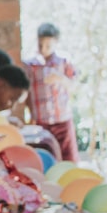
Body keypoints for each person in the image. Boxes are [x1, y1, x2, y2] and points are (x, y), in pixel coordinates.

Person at [24, 22, 79, 162]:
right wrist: (30, 115)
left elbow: (74, 86)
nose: (43, 49)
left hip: (62, 120)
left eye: (48, 46)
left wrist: (61, 79)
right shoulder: (30, 65)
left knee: (68, 160)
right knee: (47, 159)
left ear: (56, 43)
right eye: (40, 45)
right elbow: (27, 92)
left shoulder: (64, 62)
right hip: (41, 121)